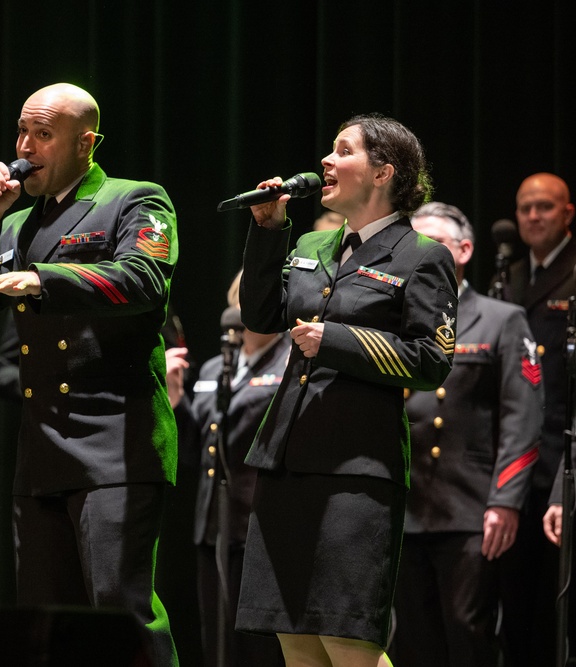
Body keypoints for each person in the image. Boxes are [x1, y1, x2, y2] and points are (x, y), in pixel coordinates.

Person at [0, 82, 179, 666]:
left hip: (115, 443)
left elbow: (143, 281)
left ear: (86, 143)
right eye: (21, 132)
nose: (25, 147)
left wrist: (45, 279)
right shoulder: (17, 223)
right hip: (42, 447)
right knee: (51, 623)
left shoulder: (134, 199)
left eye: (43, 135)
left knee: (121, 613)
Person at [234, 113, 458, 667]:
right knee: (296, 639)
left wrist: (335, 339)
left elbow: (431, 360)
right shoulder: (313, 242)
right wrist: (267, 231)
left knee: (346, 638)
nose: (326, 163)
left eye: (342, 151)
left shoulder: (421, 257)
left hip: (357, 469)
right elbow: (262, 317)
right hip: (287, 457)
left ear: (383, 171)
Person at [389, 202, 543, 667]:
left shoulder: (501, 319)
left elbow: (523, 416)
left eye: (432, 243)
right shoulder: (392, 320)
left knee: (468, 636)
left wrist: (504, 500)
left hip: (470, 508)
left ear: (464, 250)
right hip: (406, 506)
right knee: (413, 641)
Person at [165, 302, 289, 667]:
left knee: (259, 649)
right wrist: (175, 398)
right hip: (212, 525)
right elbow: (193, 451)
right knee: (217, 643)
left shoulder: (289, 362)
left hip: (262, 527)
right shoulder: (215, 366)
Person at [495, 172, 575, 666]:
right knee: (514, 607)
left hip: (560, 458)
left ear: (567, 213)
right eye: (525, 208)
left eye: (544, 207)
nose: (532, 216)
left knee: (555, 607)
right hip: (516, 463)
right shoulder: (508, 277)